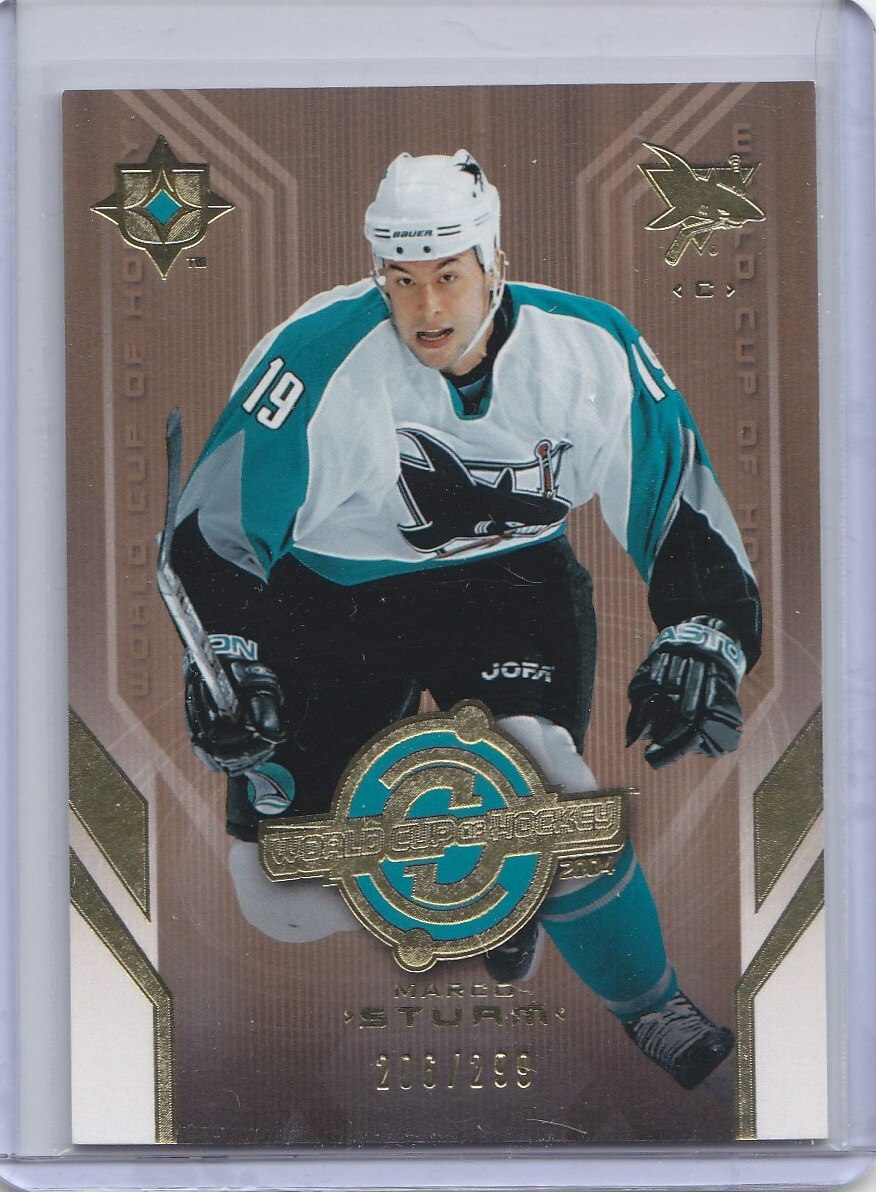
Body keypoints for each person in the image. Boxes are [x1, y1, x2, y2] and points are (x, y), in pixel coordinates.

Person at [172, 150, 761, 1091]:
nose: (427, 308)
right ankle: (491, 894)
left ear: (494, 262)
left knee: (544, 773)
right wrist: (227, 655)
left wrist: (705, 630)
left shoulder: (591, 345)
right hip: (325, 598)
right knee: (279, 898)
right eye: (402, 280)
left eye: (448, 275)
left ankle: (653, 1005)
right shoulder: (312, 357)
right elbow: (218, 528)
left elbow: (676, 496)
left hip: (505, 587)